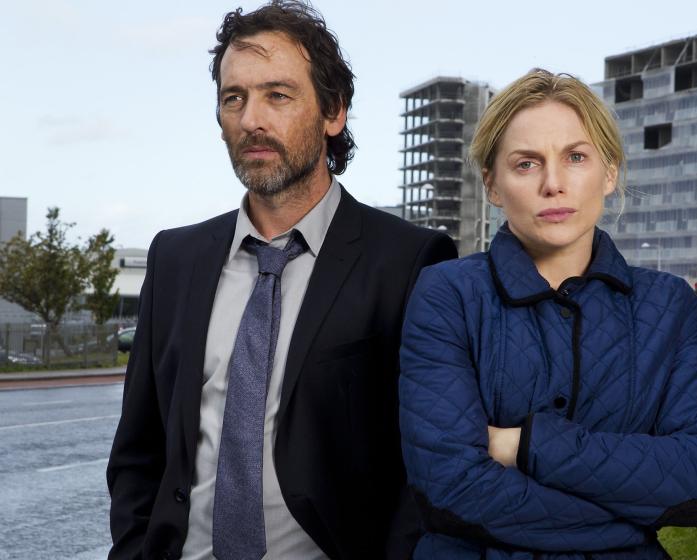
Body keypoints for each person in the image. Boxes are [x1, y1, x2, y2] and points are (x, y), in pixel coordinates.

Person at [106, 2, 457, 559]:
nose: (251, 119)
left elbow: (424, 469)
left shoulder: (410, 261)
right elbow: (139, 448)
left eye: (278, 95)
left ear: (333, 112)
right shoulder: (174, 258)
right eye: (234, 98)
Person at [399, 70, 697, 559]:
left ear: (609, 172)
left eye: (576, 157)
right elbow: (448, 487)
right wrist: (629, 516)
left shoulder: (670, 306)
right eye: (526, 163)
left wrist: (525, 446)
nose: (553, 184)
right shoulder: (447, 294)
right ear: (493, 184)